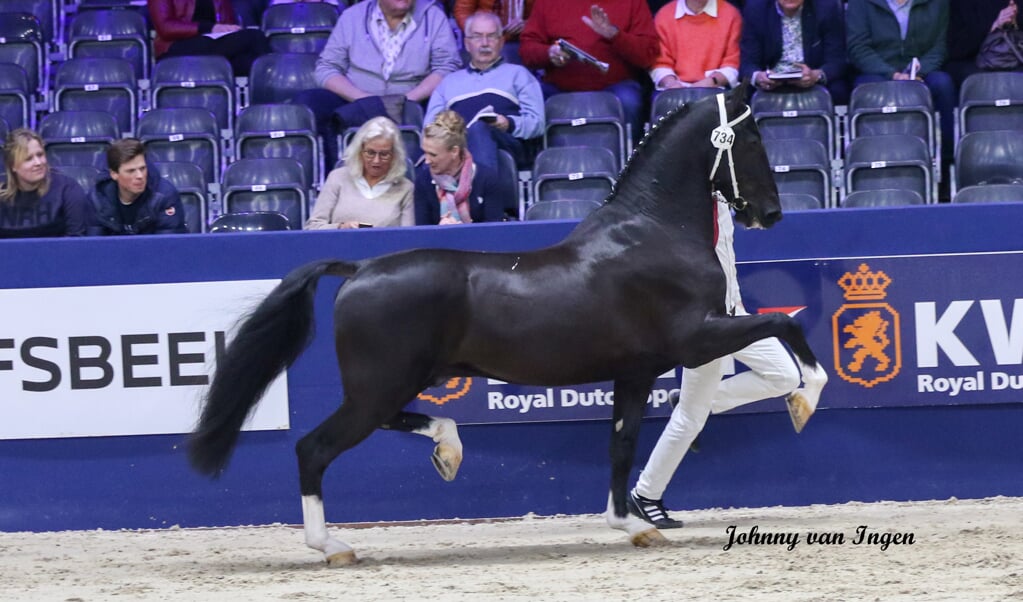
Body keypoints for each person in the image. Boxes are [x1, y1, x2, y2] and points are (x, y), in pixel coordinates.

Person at [628, 201, 820, 529]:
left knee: (785, 375)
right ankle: (644, 496)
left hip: (736, 315)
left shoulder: (719, 197)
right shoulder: (689, 209)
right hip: (707, 323)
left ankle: (702, 402)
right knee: (689, 419)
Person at [293, 0, 462, 168]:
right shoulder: (352, 17)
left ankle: (425, 177)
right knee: (309, 101)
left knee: (450, 105)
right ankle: (334, 175)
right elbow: (326, 68)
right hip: (357, 98)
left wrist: (407, 99)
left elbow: (447, 67)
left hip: (413, 99)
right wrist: (366, 101)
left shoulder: (433, 17)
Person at [519, 0, 659, 143]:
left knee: (629, 100)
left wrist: (615, 35)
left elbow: (647, 55)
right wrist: (549, 53)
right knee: (532, 100)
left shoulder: (633, 3)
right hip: (558, 88)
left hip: (615, 87)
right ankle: (542, 161)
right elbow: (526, 50)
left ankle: (631, 161)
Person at [426, 11, 545, 168]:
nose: (484, 43)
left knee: (480, 130)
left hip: (508, 144)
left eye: (491, 36)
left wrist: (508, 123)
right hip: (457, 147)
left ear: (501, 42)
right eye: (477, 36)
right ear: (467, 43)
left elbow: (537, 123)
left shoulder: (519, 74)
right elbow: (429, 128)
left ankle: (478, 189)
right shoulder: (448, 82)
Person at [846, 0, 955, 164]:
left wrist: (919, 71)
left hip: (921, 71)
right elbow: (858, 48)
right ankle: (868, 160)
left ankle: (947, 162)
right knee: (866, 88)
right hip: (878, 70)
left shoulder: (938, 3)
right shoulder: (860, 3)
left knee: (943, 83)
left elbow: (939, 47)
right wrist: (892, 74)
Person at [305, 116, 414, 229]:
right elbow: (312, 227)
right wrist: (341, 227)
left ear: (395, 156)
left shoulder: (406, 188)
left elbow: (408, 236)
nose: (376, 160)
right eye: (370, 153)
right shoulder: (337, 178)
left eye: (384, 154)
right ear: (359, 151)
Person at [740, 0, 849, 105]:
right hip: (771, 78)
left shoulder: (826, 7)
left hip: (811, 75)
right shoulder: (756, 9)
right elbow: (747, 62)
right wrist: (759, 76)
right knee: (743, 94)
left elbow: (837, 59)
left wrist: (816, 75)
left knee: (838, 90)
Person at [414, 110, 510, 224]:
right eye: (425, 153)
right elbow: (421, 233)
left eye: (433, 155)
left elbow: (494, 232)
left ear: (454, 151)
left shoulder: (488, 179)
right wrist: (439, 232)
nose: (427, 161)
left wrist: (462, 233)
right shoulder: (423, 182)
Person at [0, 128, 92, 238]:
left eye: (40, 155)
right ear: (12, 166)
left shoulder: (67, 189)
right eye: (28, 159)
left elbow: (76, 240)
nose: (38, 163)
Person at [87, 139, 188, 236]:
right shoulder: (98, 198)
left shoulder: (164, 195)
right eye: (131, 171)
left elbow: (169, 246)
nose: (140, 176)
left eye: (142, 168)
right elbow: (94, 246)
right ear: (114, 174)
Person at [148, 0, 271, 76]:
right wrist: (209, 27)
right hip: (176, 46)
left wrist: (228, 30)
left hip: (212, 44)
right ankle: (274, 83)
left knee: (248, 63)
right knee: (254, 37)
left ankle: (269, 99)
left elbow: (227, 23)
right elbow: (166, 29)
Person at [649, 0, 742, 92]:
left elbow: (732, 65)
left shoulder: (730, 14)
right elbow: (659, 64)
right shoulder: (664, 15)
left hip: (715, 88)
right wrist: (671, 83)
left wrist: (711, 81)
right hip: (673, 90)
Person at [946, 0, 1019, 88]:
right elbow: (956, 48)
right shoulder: (962, 3)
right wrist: (994, 27)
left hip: (1012, 58)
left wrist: (1015, 22)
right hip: (971, 60)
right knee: (982, 81)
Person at [453, 0, 535, 41]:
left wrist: (527, 24)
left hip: (522, 38)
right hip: (483, 38)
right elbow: (463, 10)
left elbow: (540, 14)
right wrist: (476, 31)